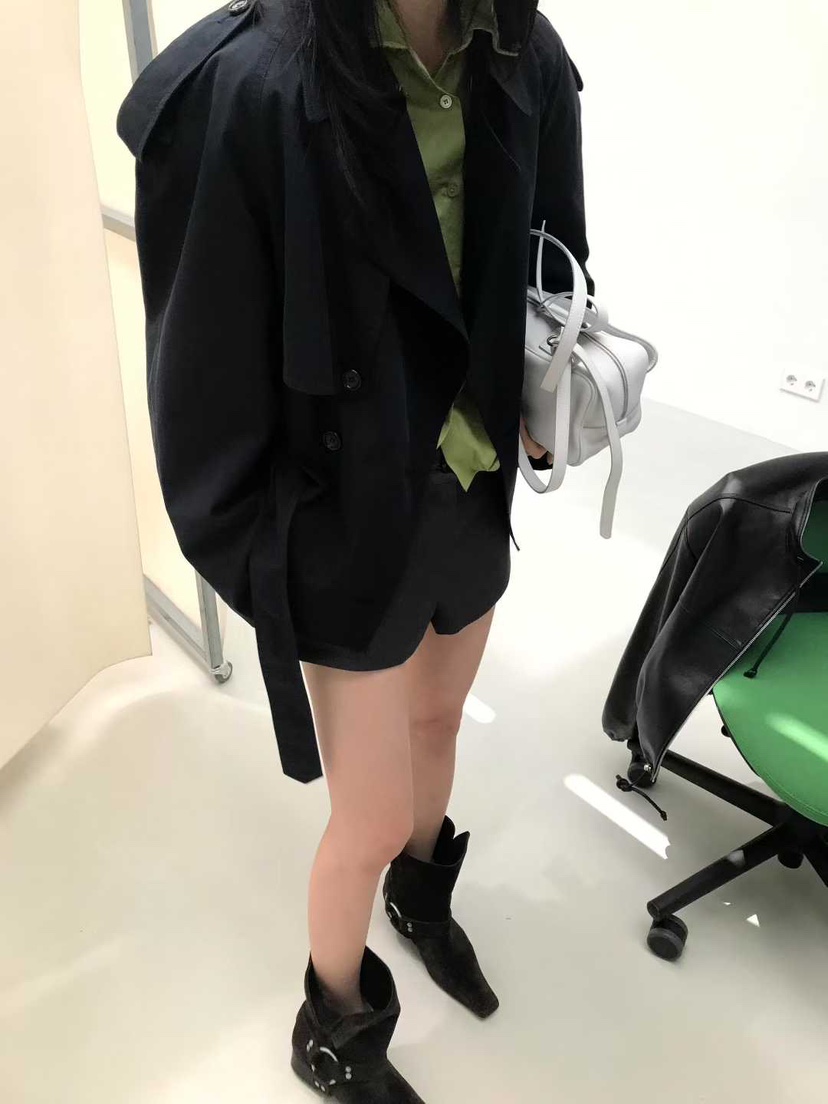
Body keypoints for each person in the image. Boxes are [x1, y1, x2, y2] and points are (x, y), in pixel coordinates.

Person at [117, 0, 593, 1098]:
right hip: (342, 505)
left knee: (439, 719)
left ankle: (421, 901)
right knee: (369, 814)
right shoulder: (252, 79)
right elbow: (202, 358)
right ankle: (332, 1025)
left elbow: (556, 241)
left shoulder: (521, 49)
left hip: (472, 475)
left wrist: (547, 381)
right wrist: (265, 545)